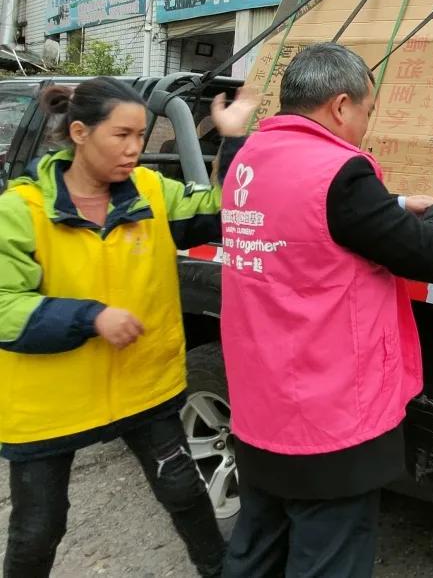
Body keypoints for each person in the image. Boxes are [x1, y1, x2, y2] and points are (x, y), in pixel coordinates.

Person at [219, 43, 433, 577]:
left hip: (262, 407)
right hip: (327, 420)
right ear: (339, 106)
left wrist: (393, 204)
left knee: (256, 548)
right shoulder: (342, 174)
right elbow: (423, 253)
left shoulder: (246, 159)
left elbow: (305, 215)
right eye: (367, 111)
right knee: (328, 560)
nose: (366, 125)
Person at [0, 76, 256, 578]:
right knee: (39, 527)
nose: (135, 148)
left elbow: (226, 212)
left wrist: (233, 139)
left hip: (144, 383)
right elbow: (5, 305)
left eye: (140, 135)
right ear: (80, 132)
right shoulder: (22, 210)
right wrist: (90, 316)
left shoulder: (151, 191)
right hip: (50, 403)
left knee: (184, 494)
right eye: (122, 135)